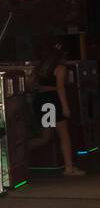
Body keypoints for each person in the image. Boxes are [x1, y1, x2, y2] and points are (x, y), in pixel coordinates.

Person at [33, 37, 85, 177]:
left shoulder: (40, 67)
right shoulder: (60, 68)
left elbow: (31, 85)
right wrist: (66, 107)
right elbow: (60, 88)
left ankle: (21, 150)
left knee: (46, 136)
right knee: (64, 135)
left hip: (41, 99)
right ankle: (69, 168)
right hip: (52, 101)